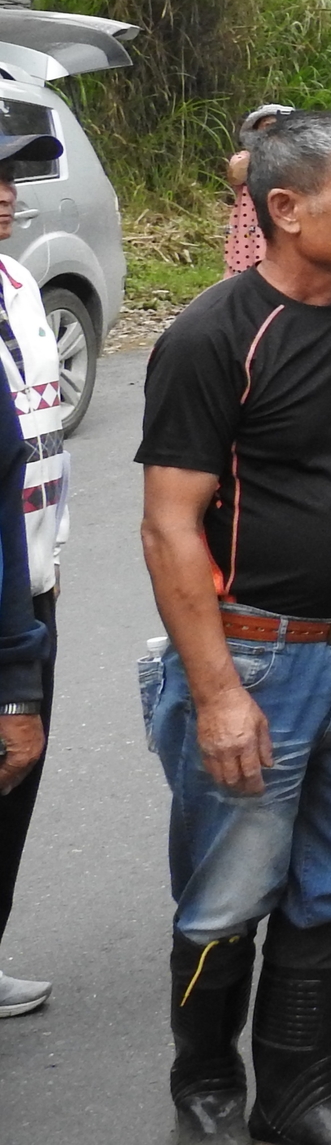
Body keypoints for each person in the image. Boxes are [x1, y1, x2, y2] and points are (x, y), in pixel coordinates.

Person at [137, 112, 331, 1145]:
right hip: (257, 660)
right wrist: (218, 691)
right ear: (284, 208)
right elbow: (169, 525)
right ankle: (205, 1083)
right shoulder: (210, 337)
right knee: (227, 891)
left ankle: (300, 1094)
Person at [0, 129, 65, 1019]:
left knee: (15, 786)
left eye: (9, 175)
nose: (6, 192)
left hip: (36, 572)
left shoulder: (16, 283)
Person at [221, 104, 295, 277]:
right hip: (250, 221)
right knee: (246, 255)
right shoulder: (246, 158)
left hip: (282, 218)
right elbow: (236, 175)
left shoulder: (295, 161)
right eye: (266, 127)